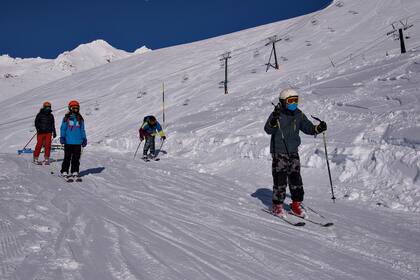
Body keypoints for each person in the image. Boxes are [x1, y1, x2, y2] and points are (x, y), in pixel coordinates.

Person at [264, 89, 327, 218]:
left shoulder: (299, 114)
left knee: (295, 178)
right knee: (280, 179)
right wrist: (273, 120)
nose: (294, 103)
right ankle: (277, 206)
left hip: (293, 151)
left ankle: (296, 205)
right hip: (279, 151)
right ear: (283, 102)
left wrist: (318, 128)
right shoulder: (277, 114)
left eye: (296, 100)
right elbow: (268, 130)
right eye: (291, 101)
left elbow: (308, 128)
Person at [60, 100, 87, 177]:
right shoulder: (66, 118)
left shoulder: (80, 118)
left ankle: (75, 171)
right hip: (68, 141)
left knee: (76, 158)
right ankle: (64, 171)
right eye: (74, 108)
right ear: (70, 108)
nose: (76, 110)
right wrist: (62, 137)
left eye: (77, 108)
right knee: (67, 157)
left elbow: (82, 129)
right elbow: (63, 128)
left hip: (78, 142)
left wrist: (84, 138)